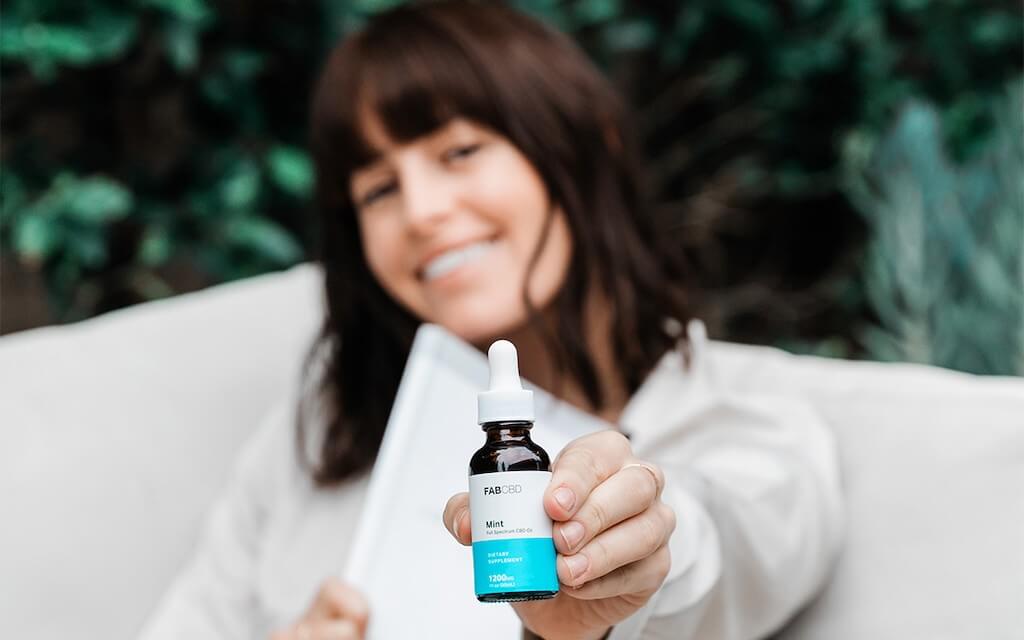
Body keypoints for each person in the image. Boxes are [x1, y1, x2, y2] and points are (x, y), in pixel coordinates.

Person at [139, 2, 843, 639]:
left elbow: (732, 543)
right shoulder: (325, 427)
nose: (420, 211)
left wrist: (627, 554)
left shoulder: (747, 414)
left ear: (580, 143)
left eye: (460, 152)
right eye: (379, 188)